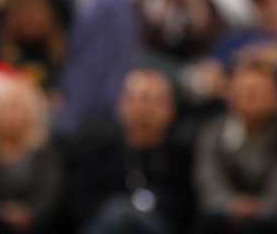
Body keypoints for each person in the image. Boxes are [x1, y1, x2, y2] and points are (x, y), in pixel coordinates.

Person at [64, 68, 195, 233]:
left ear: (171, 109)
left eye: (153, 100)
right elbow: (81, 205)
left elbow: (186, 209)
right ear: (120, 105)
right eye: (134, 99)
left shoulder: (182, 153)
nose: (143, 109)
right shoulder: (96, 147)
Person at [193, 58, 277, 232]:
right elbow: (208, 181)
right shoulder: (213, 132)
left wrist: (261, 208)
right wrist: (231, 204)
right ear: (230, 95)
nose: (250, 97)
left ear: (275, 96)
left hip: (276, 217)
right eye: (244, 91)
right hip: (225, 216)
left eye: (258, 91)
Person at [54, 0, 140, 139]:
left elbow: (117, 64)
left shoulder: (115, 2)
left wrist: (103, 120)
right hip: (83, 115)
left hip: (98, 122)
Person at [0, 69, 61, 234]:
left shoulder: (45, 151)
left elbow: (50, 194)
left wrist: (29, 213)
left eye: (19, 108)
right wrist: (2, 213)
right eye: (7, 108)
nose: (12, 116)